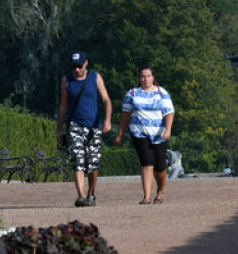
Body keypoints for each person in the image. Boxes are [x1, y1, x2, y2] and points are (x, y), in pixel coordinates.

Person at [56, 51, 112, 207]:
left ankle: (91, 193)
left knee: (93, 163)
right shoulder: (66, 80)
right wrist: (59, 130)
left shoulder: (95, 77)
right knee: (78, 160)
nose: (77, 70)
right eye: (74, 66)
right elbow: (63, 106)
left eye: (79, 66)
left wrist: (107, 120)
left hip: (94, 126)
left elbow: (106, 100)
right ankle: (81, 196)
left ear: (86, 63)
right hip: (74, 125)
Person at [114, 67, 175, 204]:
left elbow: (169, 112)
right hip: (139, 132)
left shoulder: (161, 93)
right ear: (139, 78)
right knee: (147, 162)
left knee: (160, 166)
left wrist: (168, 130)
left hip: (159, 133)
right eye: (142, 76)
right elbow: (125, 115)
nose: (145, 79)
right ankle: (146, 196)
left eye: (148, 76)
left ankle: (160, 191)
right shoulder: (132, 93)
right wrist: (120, 134)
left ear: (153, 77)